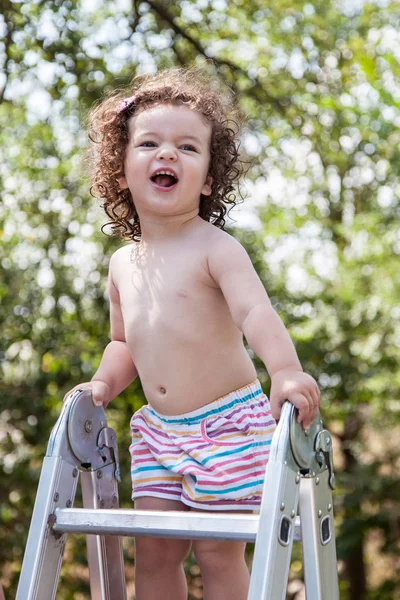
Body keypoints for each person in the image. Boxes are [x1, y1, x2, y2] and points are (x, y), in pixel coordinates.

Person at [65, 67, 320, 600]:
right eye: (150, 143)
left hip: (228, 426)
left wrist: (286, 371)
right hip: (159, 434)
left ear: (207, 178)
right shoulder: (121, 264)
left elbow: (255, 314)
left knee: (216, 551)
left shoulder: (214, 247)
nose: (167, 155)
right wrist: (101, 387)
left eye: (187, 147)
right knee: (155, 550)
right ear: (120, 171)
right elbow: (123, 342)